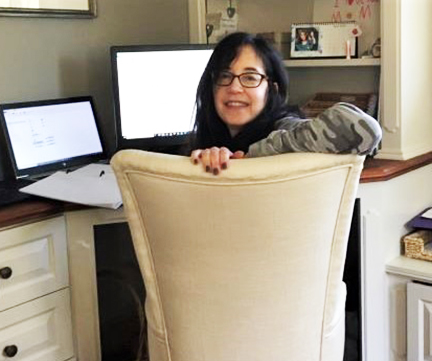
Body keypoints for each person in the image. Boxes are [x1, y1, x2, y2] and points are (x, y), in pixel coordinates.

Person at [189, 32, 382, 175]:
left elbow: (361, 127)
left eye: (250, 77)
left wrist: (250, 158)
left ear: (272, 89)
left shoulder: (284, 126)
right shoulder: (206, 143)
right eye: (224, 75)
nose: (235, 88)